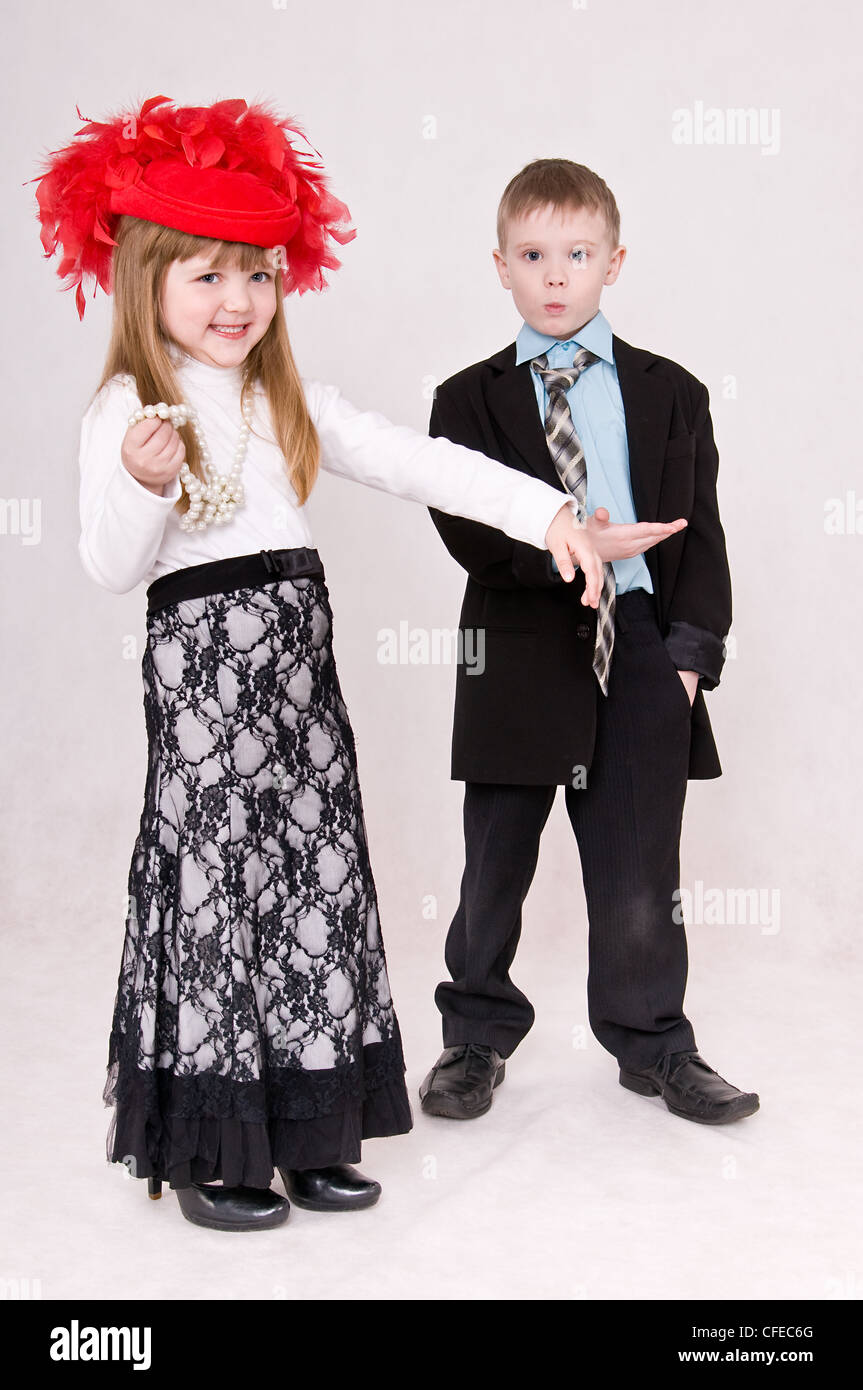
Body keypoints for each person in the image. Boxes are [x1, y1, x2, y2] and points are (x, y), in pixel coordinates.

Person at [33, 97, 683, 1233]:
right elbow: (106, 565)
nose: (238, 303)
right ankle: (211, 1147)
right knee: (217, 898)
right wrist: (140, 485)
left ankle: (308, 1133)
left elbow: (421, 460)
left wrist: (555, 517)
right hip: (203, 690)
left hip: (295, 686)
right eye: (206, 278)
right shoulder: (130, 408)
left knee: (312, 893)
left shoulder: (288, 399)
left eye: (258, 278)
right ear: (145, 281)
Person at [419, 159, 760, 1127]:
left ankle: (653, 1041)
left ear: (614, 261)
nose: (555, 275)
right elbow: (467, 534)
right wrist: (569, 548)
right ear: (499, 265)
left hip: (641, 651)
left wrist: (689, 656)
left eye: (577, 254)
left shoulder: (670, 391)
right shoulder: (466, 398)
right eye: (533, 255)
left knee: (639, 870)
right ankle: (472, 1036)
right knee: (495, 862)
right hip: (518, 649)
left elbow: (699, 528)